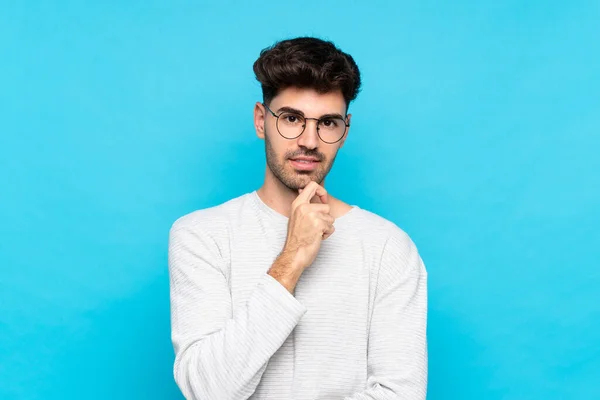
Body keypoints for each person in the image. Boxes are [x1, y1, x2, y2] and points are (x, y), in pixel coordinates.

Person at [168, 36, 428, 400]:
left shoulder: (388, 247)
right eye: (291, 118)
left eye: (327, 123)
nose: (309, 140)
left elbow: (400, 394)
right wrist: (291, 259)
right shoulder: (201, 235)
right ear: (262, 121)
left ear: (345, 131)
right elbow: (208, 389)